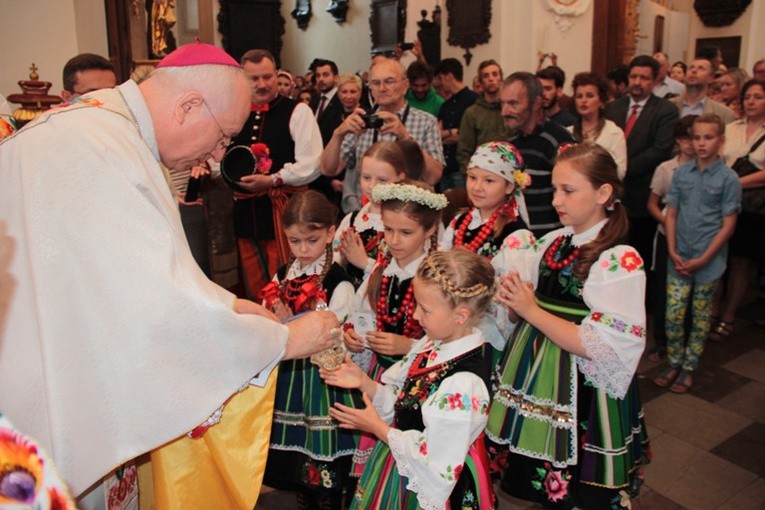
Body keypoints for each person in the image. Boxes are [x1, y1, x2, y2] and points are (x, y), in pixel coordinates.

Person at [0, 41, 339, 508]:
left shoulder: (103, 132)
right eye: (223, 137)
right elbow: (149, 310)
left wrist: (226, 305)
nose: (216, 157)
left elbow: (132, 276)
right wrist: (288, 341)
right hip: (45, 407)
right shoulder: (97, 149)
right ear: (189, 106)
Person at [487, 144, 650, 509]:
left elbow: (600, 345)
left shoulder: (616, 260)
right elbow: (521, 313)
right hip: (535, 371)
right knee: (541, 479)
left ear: (603, 193)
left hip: (582, 385)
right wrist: (515, 303)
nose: (557, 199)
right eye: (555, 189)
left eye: (568, 190)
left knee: (579, 484)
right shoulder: (553, 242)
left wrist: (530, 310)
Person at [321, 248, 498, 509]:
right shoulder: (432, 344)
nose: (415, 315)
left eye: (425, 309)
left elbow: (438, 466)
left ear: (461, 315)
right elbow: (408, 402)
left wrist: (378, 428)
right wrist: (364, 381)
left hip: (427, 483)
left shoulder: (464, 383)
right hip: (402, 460)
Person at [260, 190, 360, 510]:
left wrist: (294, 325)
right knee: (298, 455)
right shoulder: (282, 275)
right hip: (290, 376)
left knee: (322, 451)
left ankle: (327, 499)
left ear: (330, 233)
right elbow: (267, 318)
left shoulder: (338, 281)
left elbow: (338, 335)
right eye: (295, 241)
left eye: (312, 240)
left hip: (322, 380)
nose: (303, 250)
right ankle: (305, 496)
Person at [342, 182, 445, 477]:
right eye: (388, 230)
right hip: (380, 375)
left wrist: (408, 346)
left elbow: (451, 341)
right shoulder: (382, 270)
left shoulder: (435, 276)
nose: (394, 240)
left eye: (406, 232)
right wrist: (353, 337)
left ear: (429, 232)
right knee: (378, 463)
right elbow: (360, 314)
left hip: (420, 381)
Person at [653, 115, 741, 393]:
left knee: (701, 316)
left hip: (709, 260)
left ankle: (688, 367)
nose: (701, 143)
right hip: (678, 255)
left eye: (708, 137)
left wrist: (704, 258)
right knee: (674, 315)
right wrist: (672, 249)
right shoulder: (682, 174)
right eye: (697, 137)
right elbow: (672, 214)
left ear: (721, 141)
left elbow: (728, 224)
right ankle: (674, 361)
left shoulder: (729, 178)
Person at [227, 49, 323, 300]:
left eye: (268, 77)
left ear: (277, 74)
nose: (262, 84)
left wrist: (273, 179)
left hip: (284, 211)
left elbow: (312, 164)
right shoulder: (233, 111)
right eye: (254, 78)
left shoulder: (298, 111)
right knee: (252, 286)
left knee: (284, 281)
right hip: (245, 214)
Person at [320, 58, 444, 213]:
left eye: (389, 81)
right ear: (370, 88)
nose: (382, 88)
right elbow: (328, 169)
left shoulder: (426, 122)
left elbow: (433, 177)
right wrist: (338, 134)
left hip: (409, 218)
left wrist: (406, 137)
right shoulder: (361, 121)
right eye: (376, 83)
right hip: (366, 215)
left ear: (405, 86)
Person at [604, 55, 679, 269]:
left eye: (644, 78)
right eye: (634, 76)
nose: (637, 82)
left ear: (655, 81)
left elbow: (660, 149)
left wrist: (622, 169)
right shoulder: (613, 108)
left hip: (642, 194)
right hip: (612, 194)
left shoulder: (666, 110)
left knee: (638, 255)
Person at [710, 79, 765, 340]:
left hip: (751, 206)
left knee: (740, 263)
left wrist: (734, 182)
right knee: (718, 257)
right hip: (721, 201)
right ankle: (712, 310)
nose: (751, 101)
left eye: (758, 97)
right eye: (748, 97)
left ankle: (730, 316)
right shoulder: (730, 128)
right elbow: (715, 158)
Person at [645, 115, 697, 361]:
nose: (693, 143)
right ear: (678, 140)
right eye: (688, 137)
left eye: (698, 137)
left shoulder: (711, 169)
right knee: (664, 290)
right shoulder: (667, 169)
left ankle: (686, 341)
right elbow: (653, 203)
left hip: (698, 238)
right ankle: (661, 341)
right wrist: (668, 221)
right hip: (669, 235)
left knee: (691, 291)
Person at [501, 72, 575, 237]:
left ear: (535, 103)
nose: (504, 112)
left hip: (553, 240)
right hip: (521, 240)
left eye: (513, 104)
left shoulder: (559, 140)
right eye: (503, 104)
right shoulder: (511, 143)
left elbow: (574, 195)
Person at [334, 141, 408, 288]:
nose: (372, 186)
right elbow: (332, 262)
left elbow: (406, 276)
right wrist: (341, 259)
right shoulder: (352, 220)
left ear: (400, 178)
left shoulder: (407, 224)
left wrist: (364, 262)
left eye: (382, 180)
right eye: (366, 178)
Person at [442, 142, 529, 259]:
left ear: (509, 186)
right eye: (472, 177)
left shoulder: (516, 234)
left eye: (488, 181)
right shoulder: (459, 221)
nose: (477, 187)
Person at [457, 59, 511, 175]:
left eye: (495, 74)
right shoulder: (472, 113)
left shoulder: (510, 110)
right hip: (481, 173)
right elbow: (464, 152)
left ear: (501, 79)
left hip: (510, 171)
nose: (491, 79)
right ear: (481, 82)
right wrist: (472, 176)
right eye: (486, 76)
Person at [569, 72, 627, 179]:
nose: (583, 100)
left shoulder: (613, 132)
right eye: (579, 96)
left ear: (601, 101)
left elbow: (620, 172)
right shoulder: (568, 132)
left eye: (590, 96)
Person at [435, 58, 478, 190]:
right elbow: (436, 136)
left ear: (449, 76)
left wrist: (455, 136)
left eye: (441, 78)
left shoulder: (473, 100)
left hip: (462, 168)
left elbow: (467, 137)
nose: (440, 83)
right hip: (445, 167)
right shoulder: (446, 105)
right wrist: (449, 133)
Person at [670, 57, 736, 124]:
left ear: (710, 77)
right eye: (691, 68)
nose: (694, 71)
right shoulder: (669, 105)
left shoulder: (723, 113)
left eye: (701, 68)